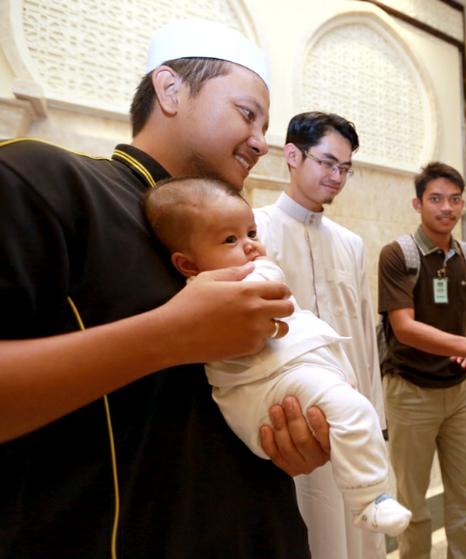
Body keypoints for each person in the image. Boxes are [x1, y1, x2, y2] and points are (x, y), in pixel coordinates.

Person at [0, 19, 329, 557]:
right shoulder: (42, 181)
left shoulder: (244, 237)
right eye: (247, 114)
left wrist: (287, 432)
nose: (259, 142)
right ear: (170, 90)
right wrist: (171, 335)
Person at [144, 176, 411, 536]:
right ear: (188, 265)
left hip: (283, 380)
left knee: (348, 409)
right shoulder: (218, 290)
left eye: (252, 233)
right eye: (230, 240)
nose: (252, 246)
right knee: (353, 411)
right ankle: (370, 498)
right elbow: (271, 292)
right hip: (266, 388)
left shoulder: (343, 243)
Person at [254, 111, 387, 559]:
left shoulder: (351, 243)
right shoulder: (255, 230)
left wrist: (375, 417)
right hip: (285, 416)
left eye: (345, 168)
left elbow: (366, 339)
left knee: (355, 528)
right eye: (327, 163)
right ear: (292, 155)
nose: (337, 177)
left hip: (350, 412)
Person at [378, 162, 466, 559]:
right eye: (436, 199)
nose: (447, 207)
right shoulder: (397, 255)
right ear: (417, 203)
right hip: (409, 392)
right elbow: (403, 327)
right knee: (413, 503)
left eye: (455, 199)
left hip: (458, 395)